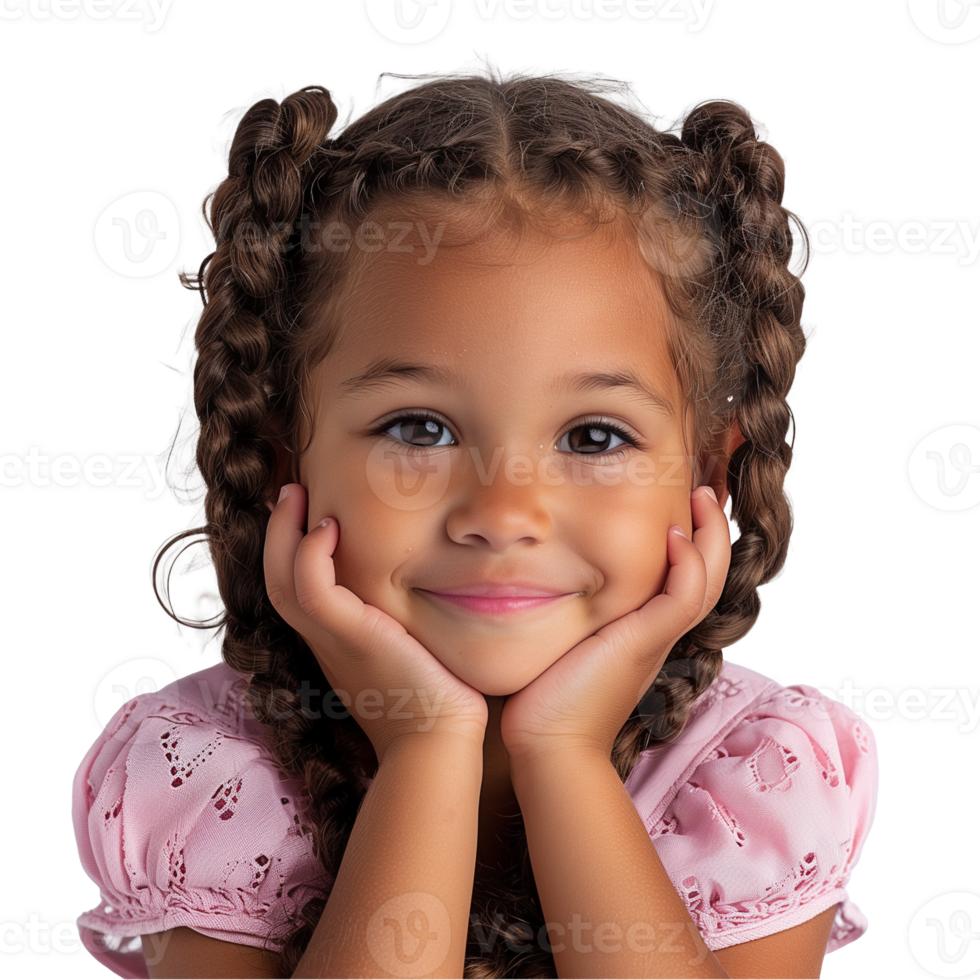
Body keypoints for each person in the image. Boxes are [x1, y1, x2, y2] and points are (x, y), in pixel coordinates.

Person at [70, 50, 880, 980]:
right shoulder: (209, 780)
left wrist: (566, 757)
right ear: (287, 454)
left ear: (709, 478)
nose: (502, 514)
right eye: (419, 428)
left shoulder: (751, 778)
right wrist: (424, 752)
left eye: (594, 437)